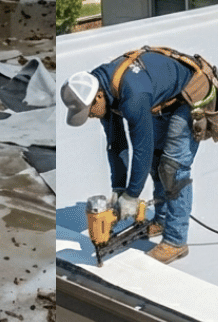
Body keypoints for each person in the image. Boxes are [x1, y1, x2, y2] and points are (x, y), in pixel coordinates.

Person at [62, 50, 199, 262]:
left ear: (97, 96)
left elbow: (140, 147)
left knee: (173, 167)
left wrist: (132, 194)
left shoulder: (133, 96)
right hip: (161, 101)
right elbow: (116, 144)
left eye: (89, 112)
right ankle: (162, 220)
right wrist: (119, 188)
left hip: (189, 95)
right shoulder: (103, 91)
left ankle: (175, 240)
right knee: (155, 160)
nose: (90, 116)